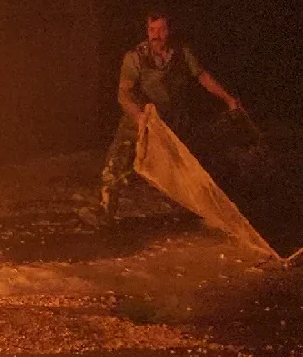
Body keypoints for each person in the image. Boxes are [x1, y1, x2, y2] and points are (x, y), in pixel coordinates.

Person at [98, 11, 248, 214]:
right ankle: (107, 209)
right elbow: (123, 94)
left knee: (193, 163)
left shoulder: (182, 53)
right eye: (152, 30)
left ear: (170, 30)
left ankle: (210, 207)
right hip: (141, 117)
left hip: (172, 118)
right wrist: (139, 116)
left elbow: (202, 77)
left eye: (161, 29)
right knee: (116, 164)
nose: (156, 35)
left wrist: (228, 99)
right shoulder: (135, 57)